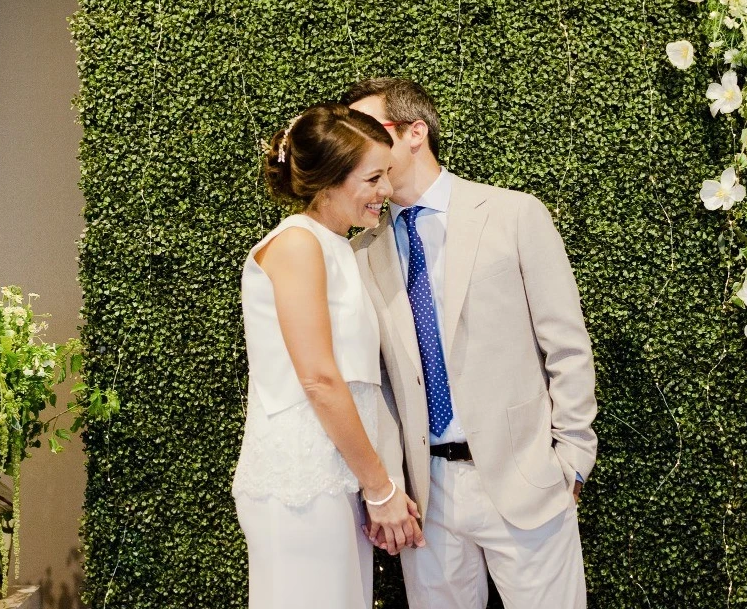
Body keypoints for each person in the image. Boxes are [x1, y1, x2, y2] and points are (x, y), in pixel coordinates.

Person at [345, 79, 598, 609]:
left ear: (416, 133)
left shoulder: (514, 214)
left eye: (369, 131)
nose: (355, 148)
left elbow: (567, 345)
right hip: (426, 496)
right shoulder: (363, 249)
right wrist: (391, 485)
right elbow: (381, 382)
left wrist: (571, 458)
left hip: (525, 481)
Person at [232, 102, 425, 609]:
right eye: (373, 178)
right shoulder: (297, 244)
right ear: (330, 180)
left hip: (336, 477)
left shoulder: (339, 247)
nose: (386, 191)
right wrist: (380, 489)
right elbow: (319, 379)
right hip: (300, 485)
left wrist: (375, 484)